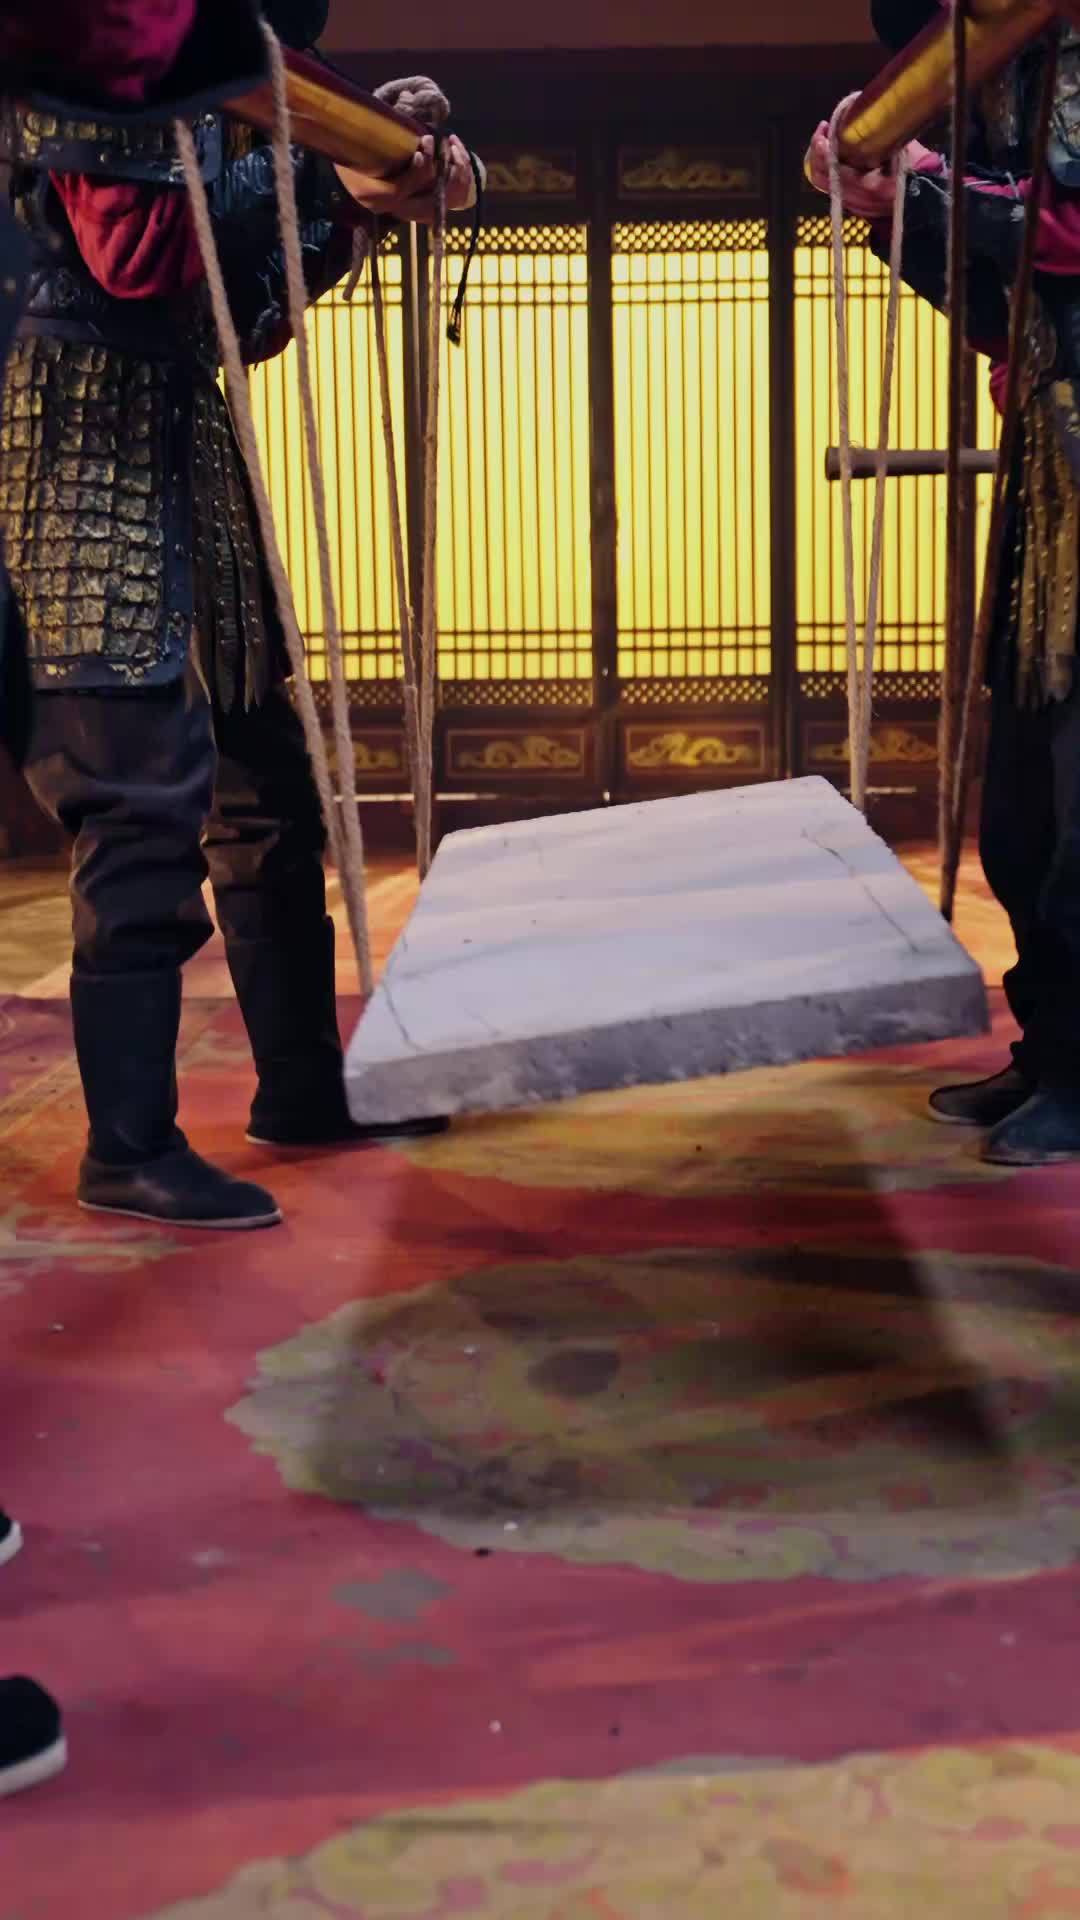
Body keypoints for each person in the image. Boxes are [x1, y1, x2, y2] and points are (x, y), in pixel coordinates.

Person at [0, 0, 478, 1229]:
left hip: (181, 424)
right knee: (140, 802)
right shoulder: (100, 44)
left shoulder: (217, 84)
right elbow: (139, 256)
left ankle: (302, 1085)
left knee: (270, 780)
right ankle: (129, 1145)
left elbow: (246, 311)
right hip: (71, 435)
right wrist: (318, 160)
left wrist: (355, 195)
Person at [807, 8, 1080, 1167]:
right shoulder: (1008, 84)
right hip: (1050, 457)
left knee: (1079, 813)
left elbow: (1061, 228)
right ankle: (1054, 1049)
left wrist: (925, 185)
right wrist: (893, 207)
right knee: (1020, 812)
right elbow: (991, 303)